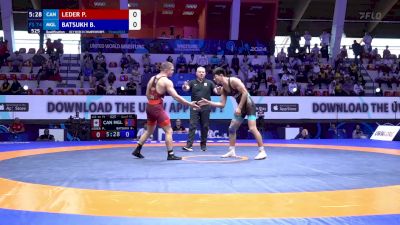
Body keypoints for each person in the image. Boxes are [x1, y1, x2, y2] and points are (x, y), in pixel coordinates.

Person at [132, 62, 200, 160]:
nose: (173, 71)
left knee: (149, 131)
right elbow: (176, 97)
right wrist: (190, 104)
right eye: (172, 69)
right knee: (169, 131)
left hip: (149, 106)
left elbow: (147, 94)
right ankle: (170, 154)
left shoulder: (152, 78)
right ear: (166, 69)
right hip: (156, 108)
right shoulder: (166, 81)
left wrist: (153, 102)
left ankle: (137, 150)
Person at [198, 67, 267, 160]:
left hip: (249, 105)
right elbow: (222, 104)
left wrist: (239, 107)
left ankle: (262, 151)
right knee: (231, 128)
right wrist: (208, 102)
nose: (214, 80)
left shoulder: (234, 81)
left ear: (221, 75)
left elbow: (245, 93)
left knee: (252, 128)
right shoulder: (223, 89)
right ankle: (231, 150)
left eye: (215, 77)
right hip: (241, 108)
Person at [181, 66, 218, 152]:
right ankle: (189, 145)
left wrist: (219, 90)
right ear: (196, 73)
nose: (201, 73)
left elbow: (216, 91)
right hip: (195, 106)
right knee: (192, 125)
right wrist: (184, 86)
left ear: (205, 73)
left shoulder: (210, 83)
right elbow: (186, 89)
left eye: (203, 72)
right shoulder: (192, 82)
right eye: (199, 72)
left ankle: (203, 144)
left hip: (206, 107)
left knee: (205, 126)